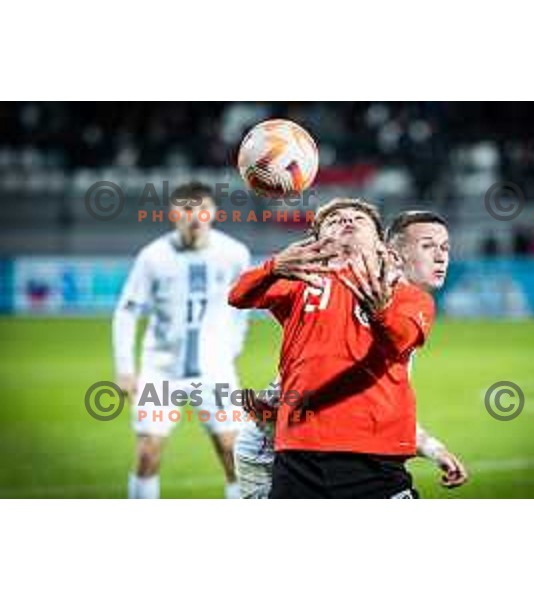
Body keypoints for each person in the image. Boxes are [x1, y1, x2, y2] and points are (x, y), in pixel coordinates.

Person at [234, 209, 467, 499]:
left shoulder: (409, 304)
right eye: (428, 246)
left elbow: (373, 399)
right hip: (281, 451)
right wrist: (274, 266)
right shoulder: (309, 287)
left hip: (358, 452)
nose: (440, 256)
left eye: (445, 248)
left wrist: (433, 448)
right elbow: (238, 296)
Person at [113, 182, 250, 499]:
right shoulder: (153, 257)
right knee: (148, 453)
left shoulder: (234, 254)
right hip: (161, 372)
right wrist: (125, 367)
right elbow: (127, 311)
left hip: (215, 372)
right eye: (188, 210)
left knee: (233, 453)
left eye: (203, 209)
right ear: (174, 214)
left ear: (213, 213)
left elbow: (243, 307)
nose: (196, 217)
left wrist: (232, 346)